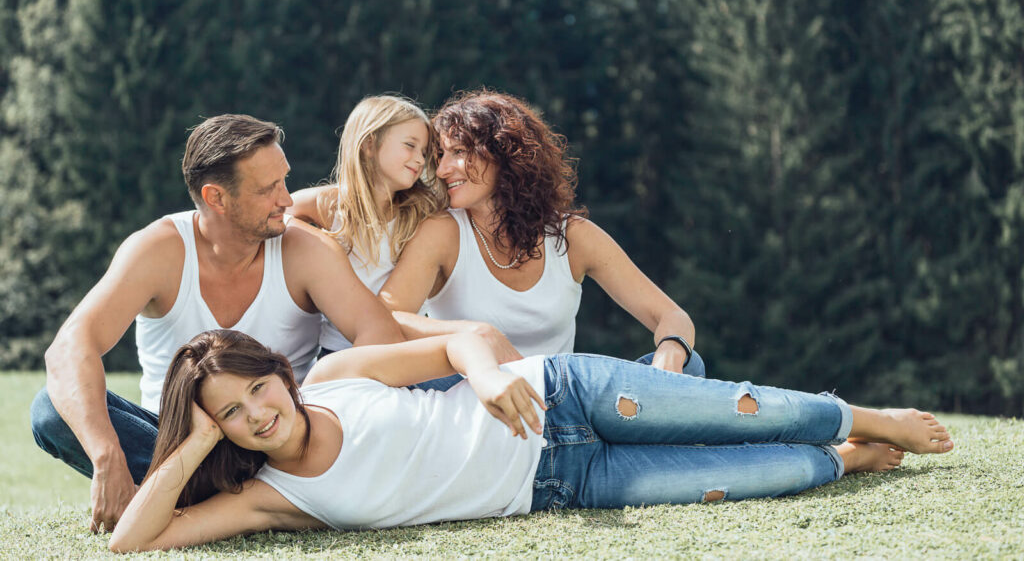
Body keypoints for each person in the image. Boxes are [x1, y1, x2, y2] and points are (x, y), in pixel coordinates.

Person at [108, 329, 954, 552]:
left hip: (566, 390)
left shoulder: (336, 377)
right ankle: (838, 458)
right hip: (561, 485)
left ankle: (864, 417)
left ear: (280, 377)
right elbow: (134, 541)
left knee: (757, 411)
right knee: (768, 475)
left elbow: (458, 341)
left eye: (259, 386)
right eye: (233, 410)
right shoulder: (270, 497)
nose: (258, 411)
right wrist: (186, 440)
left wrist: (480, 376)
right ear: (217, 424)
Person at [31, 114, 407, 534]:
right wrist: (107, 456)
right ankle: (232, 503)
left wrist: (309, 404)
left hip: (275, 441)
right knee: (49, 410)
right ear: (216, 197)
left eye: (285, 181)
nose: (287, 200)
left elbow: (382, 339)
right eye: (268, 190)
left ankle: (197, 507)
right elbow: (69, 348)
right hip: (183, 450)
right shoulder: (158, 250)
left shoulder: (305, 249)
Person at [380, 88, 703, 385]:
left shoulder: (572, 237)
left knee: (690, 365)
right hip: (474, 392)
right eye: (440, 156)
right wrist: (472, 334)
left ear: (504, 151)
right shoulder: (443, 231)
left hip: (558, 403)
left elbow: (672, 315)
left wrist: (670, 351)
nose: (441, 169)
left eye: (458, 152)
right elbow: (388, 317)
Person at [291, 95, 504, 356]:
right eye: (410, 146)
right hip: (336, 350)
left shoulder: (420, 212)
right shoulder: (330, 205)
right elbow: (281, 213)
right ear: (369, 144)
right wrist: (320, 245)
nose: (419, 159)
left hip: (398, 350)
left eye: (424, 153)